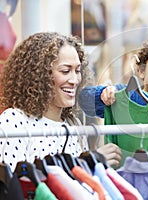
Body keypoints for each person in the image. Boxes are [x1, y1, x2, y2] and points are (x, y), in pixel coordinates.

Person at [0, 32, 121, 170]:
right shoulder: (14, 121)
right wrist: (90, 160)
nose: (74, 80)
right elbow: (16, 183)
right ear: (40, 75)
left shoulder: (73, 124)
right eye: (65, 71)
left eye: (77, 71)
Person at [78, 32, 148, 167]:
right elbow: (85, 99)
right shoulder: (126, 95)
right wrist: (103, 93)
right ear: (142, 71)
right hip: (121, 170)